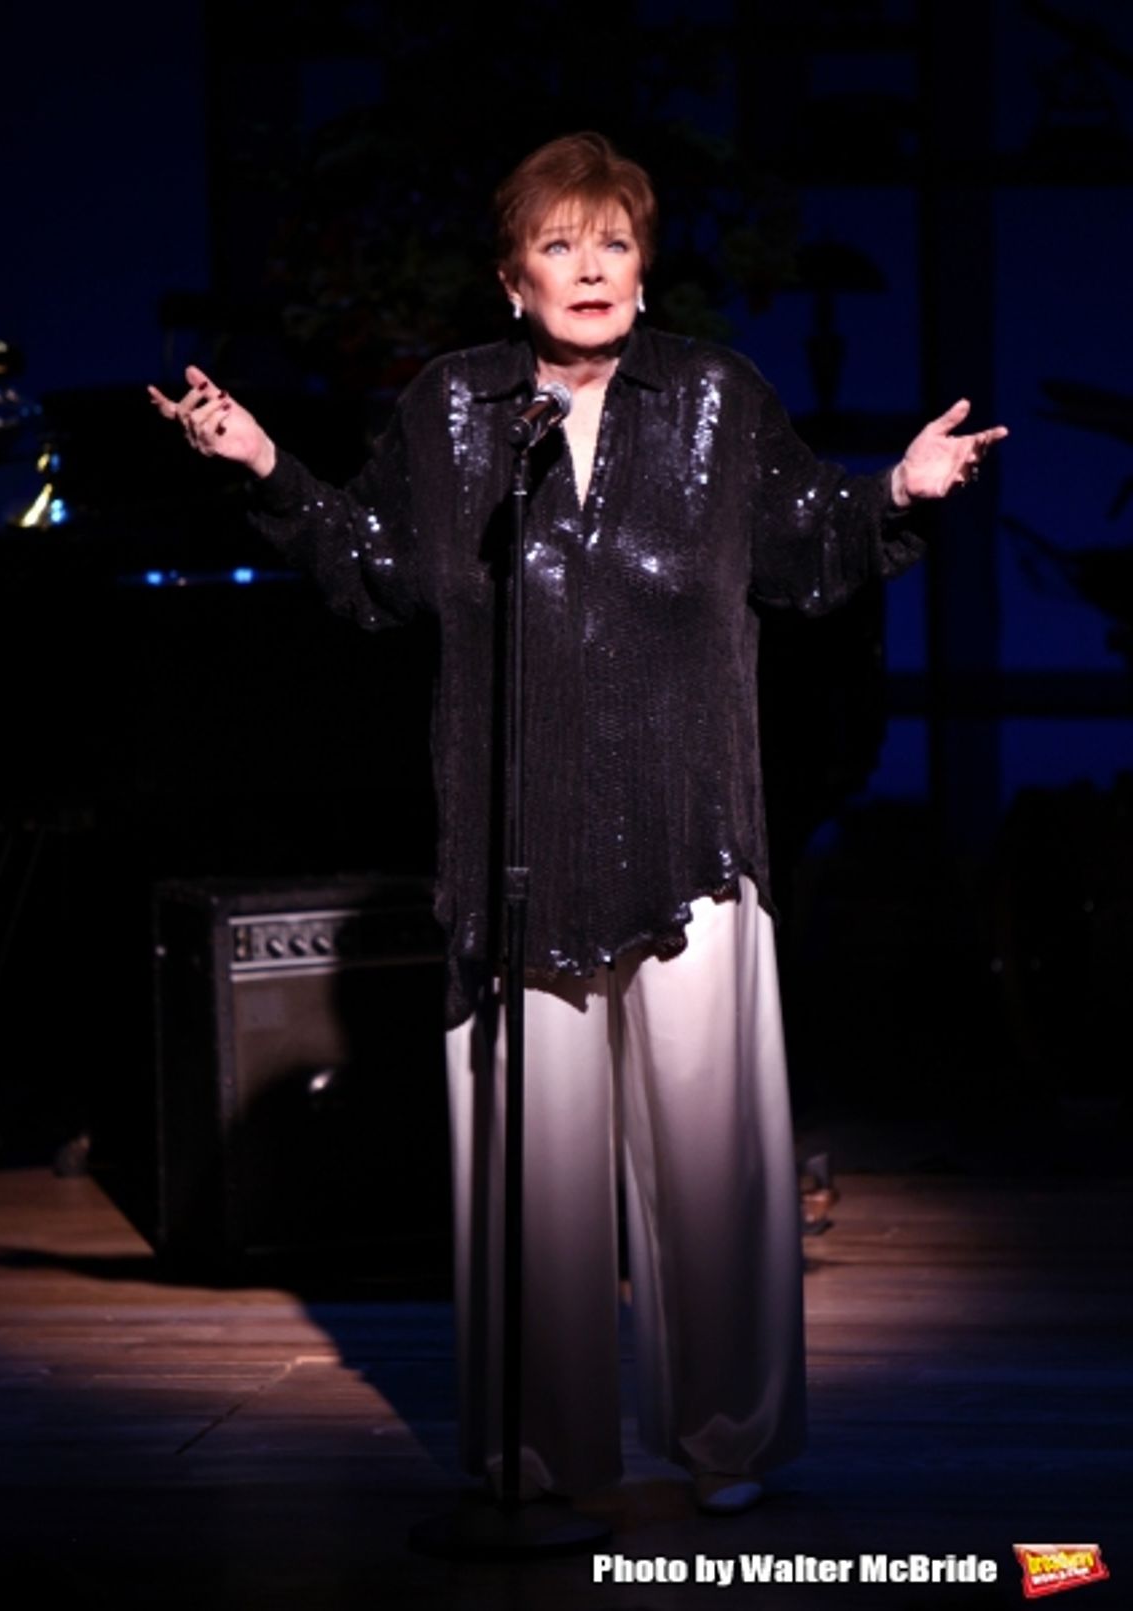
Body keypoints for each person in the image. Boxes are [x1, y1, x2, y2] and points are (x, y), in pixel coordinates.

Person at [149, 132, 1006, 1513]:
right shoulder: (453, 410)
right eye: (558, 244)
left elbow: (808, 552)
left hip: (690, 835)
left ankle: (724, 1440)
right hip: (514, 844)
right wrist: (262, 465)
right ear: (511, 278)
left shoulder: (717, 398)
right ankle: (538, 1451)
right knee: (531, 1189)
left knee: (715, 1174)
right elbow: (371, 572)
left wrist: (898, 493)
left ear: (644, 264)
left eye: (612, 241)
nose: (589, 266)